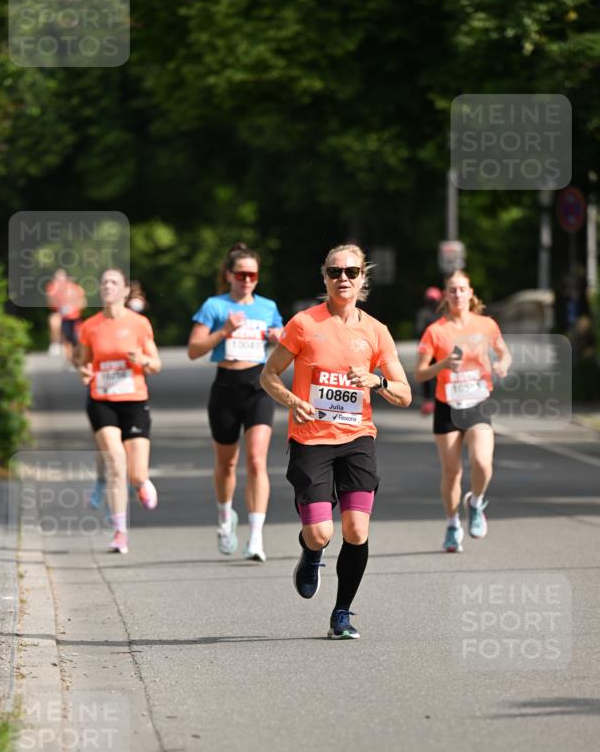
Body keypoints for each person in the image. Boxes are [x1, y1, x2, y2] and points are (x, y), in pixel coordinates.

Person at [260, 243, 411, 640]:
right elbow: (269, 375)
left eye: (351, 271)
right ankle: (311, 554)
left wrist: (376, 381)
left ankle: (342, 613)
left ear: (363, 277)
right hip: (311, 439)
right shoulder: (304, 324)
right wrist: (293, 400)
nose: (343, 278)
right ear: (324, 276)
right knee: (321, 533)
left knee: (356, 530)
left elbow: (404, 392)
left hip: (357, 437)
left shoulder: (376, 331)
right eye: (334, 272)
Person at [187, 243, 283, 561]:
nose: (246, 280)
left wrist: (278, 337)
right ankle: (225, 518)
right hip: (225, 387)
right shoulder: (214, 306)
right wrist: (224, 332)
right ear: (229, 275)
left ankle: (256, 538)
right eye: (240, 274)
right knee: (227, 463)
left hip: (258, 385)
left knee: (257, 460)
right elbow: (193, 349)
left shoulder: (267, 306)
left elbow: (284, 337)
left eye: (252, 274)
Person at [415, 269, 511, 553]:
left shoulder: (486, 325)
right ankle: (453, 522)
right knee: (452, 472)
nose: (457, 294)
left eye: (462, 289)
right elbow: (420, 374)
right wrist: (442, 365)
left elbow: (504, 352)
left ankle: (476, 502)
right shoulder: (435, 331)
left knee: (482, 463)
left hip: (478, 402)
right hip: (448, 406)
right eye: (452, 290)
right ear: (445, 295)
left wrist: (503, 363)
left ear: (471, 293)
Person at [77, 268, 161, 555]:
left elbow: (157, 363)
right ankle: (119, 531)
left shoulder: (139, 324)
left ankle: (141, 483)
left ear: (126, 290)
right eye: (104, 283)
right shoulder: (90, 326)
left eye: (114, 283)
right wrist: (85, 371)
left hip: (134, 400)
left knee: (136, 474)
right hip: (102, 400)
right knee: (115, 462)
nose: (108, 287)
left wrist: (143, 359)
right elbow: (84, 363)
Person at [45, 268, 86, 365]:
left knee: (76, 340)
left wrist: (73, 307)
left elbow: (83, 302)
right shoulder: (53, 288)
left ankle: (77, 360)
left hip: (74, 317)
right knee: (65, 337)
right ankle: (56, 345)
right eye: (56, 277)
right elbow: (50, 303)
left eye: (61, 277)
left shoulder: (75, 288)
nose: (59, 279)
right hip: (63, 317)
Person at [415, 286, 442, 415]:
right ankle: (429, 401)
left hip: (434, 348)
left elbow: (419, 331)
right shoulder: (437, 313)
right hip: (429, 349)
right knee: (429, 376)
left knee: (431, 376)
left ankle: (431, 401)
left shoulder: (425, 313)